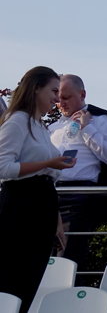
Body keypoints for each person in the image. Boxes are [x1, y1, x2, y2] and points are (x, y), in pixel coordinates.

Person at [0, 67, 76, 313]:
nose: (56, 98)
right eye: (53, 91)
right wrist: (47, 163)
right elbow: (3, 167)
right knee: (13, 276)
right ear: (36, 89)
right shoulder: (17, 120)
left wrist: (56, 220)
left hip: (42, 205)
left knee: (30, 277)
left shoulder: (40, 126)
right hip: (21, 204)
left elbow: (46, 179)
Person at [48, 74, 107, 275]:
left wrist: (87, 129)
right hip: (49, 194)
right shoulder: (52, 127)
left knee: (67, 258)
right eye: (58, 98)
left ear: (82, 94)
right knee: (44, 260)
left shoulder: (101, 120)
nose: (60, 103)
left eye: (66, 97)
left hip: (79, 196)